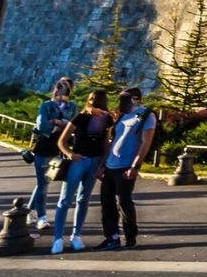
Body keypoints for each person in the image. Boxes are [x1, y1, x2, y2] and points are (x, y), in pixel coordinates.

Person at [50, 89, 111, 254]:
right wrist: (70, 154)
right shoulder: (81, 117)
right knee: (65, 200)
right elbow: (62, 140)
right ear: (89, 101)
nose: (98, 104)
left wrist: (102, 164)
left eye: (101, 101)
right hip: (80, 160)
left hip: (95, 160)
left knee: (83, 199)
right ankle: (57, 238)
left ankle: (75, 235)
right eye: (95, 100)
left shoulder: (106, 119)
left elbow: (106, 142)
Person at [97, 86, 156, 250]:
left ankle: (130, 236)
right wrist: (102, 165)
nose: (121, 102)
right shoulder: (122, 116)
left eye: (125, 98)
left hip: (126, 165)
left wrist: (135, 165)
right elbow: (113, 140)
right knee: (106, 202)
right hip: (111, 164)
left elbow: (146, 143)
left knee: (124, 201)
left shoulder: (145, 115)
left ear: (135, 99)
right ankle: (111, 236)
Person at [28, 77, 76, 233]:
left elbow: (73, 125)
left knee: (45, 182)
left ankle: (28, 211)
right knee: (43, 184)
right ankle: (41, 218)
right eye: (61, 88)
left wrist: (58, 122)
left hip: (59, 149)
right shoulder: (46, 106)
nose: (62, 92)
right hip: (43, 148)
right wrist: (60, 126)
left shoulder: (72, 107)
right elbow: (42, 125)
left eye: (66, 89)